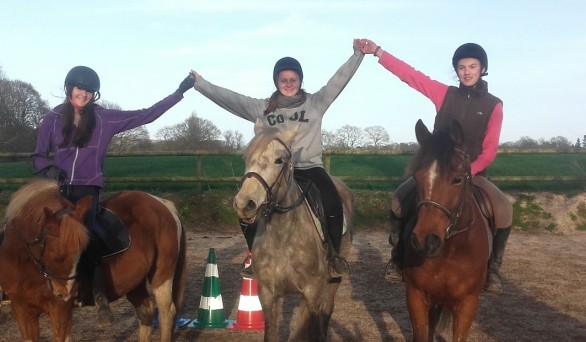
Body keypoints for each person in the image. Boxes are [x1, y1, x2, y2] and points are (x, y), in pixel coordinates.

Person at [0, 65, 195, 322]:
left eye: (89, 91)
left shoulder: (105, 119)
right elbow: (37, 156)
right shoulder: (52, 118)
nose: (84, 94)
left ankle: (97, 293)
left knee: (88, 237)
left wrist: (179, 92)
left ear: (95, 94)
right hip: (56, 190)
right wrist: (47, 170)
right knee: (11, 229)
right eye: (79, 89)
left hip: (87, 190)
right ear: (69, 88)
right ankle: (9, 290)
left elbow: (146, 115)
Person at [190, 41, 365, 278]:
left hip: (308, 167)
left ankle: (334, 255)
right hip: (273, 171)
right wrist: (200, 84)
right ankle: (255, 254)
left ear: (300, 80)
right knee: (245, 202)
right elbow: (231, 99)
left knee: (332, 200)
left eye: (293, 79)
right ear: (276, 82)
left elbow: (339, 80)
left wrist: (357, 55)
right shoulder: (262, 108)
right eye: (284, 80)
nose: (289, 83)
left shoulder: (316, 102)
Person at [356, 39, 513, 293]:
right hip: (437, 173)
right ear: (456, 70)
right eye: (461, 67)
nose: (467, 72)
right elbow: (411, 76)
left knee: (504, 209)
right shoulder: (444, 94)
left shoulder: (494, 105)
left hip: (471, 173)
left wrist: (469, 171)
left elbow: (489, 150)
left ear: (483, 69)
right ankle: (398, 257)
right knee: (399, 200)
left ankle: (493, 268)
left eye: (472, 66)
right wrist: (378, 52)